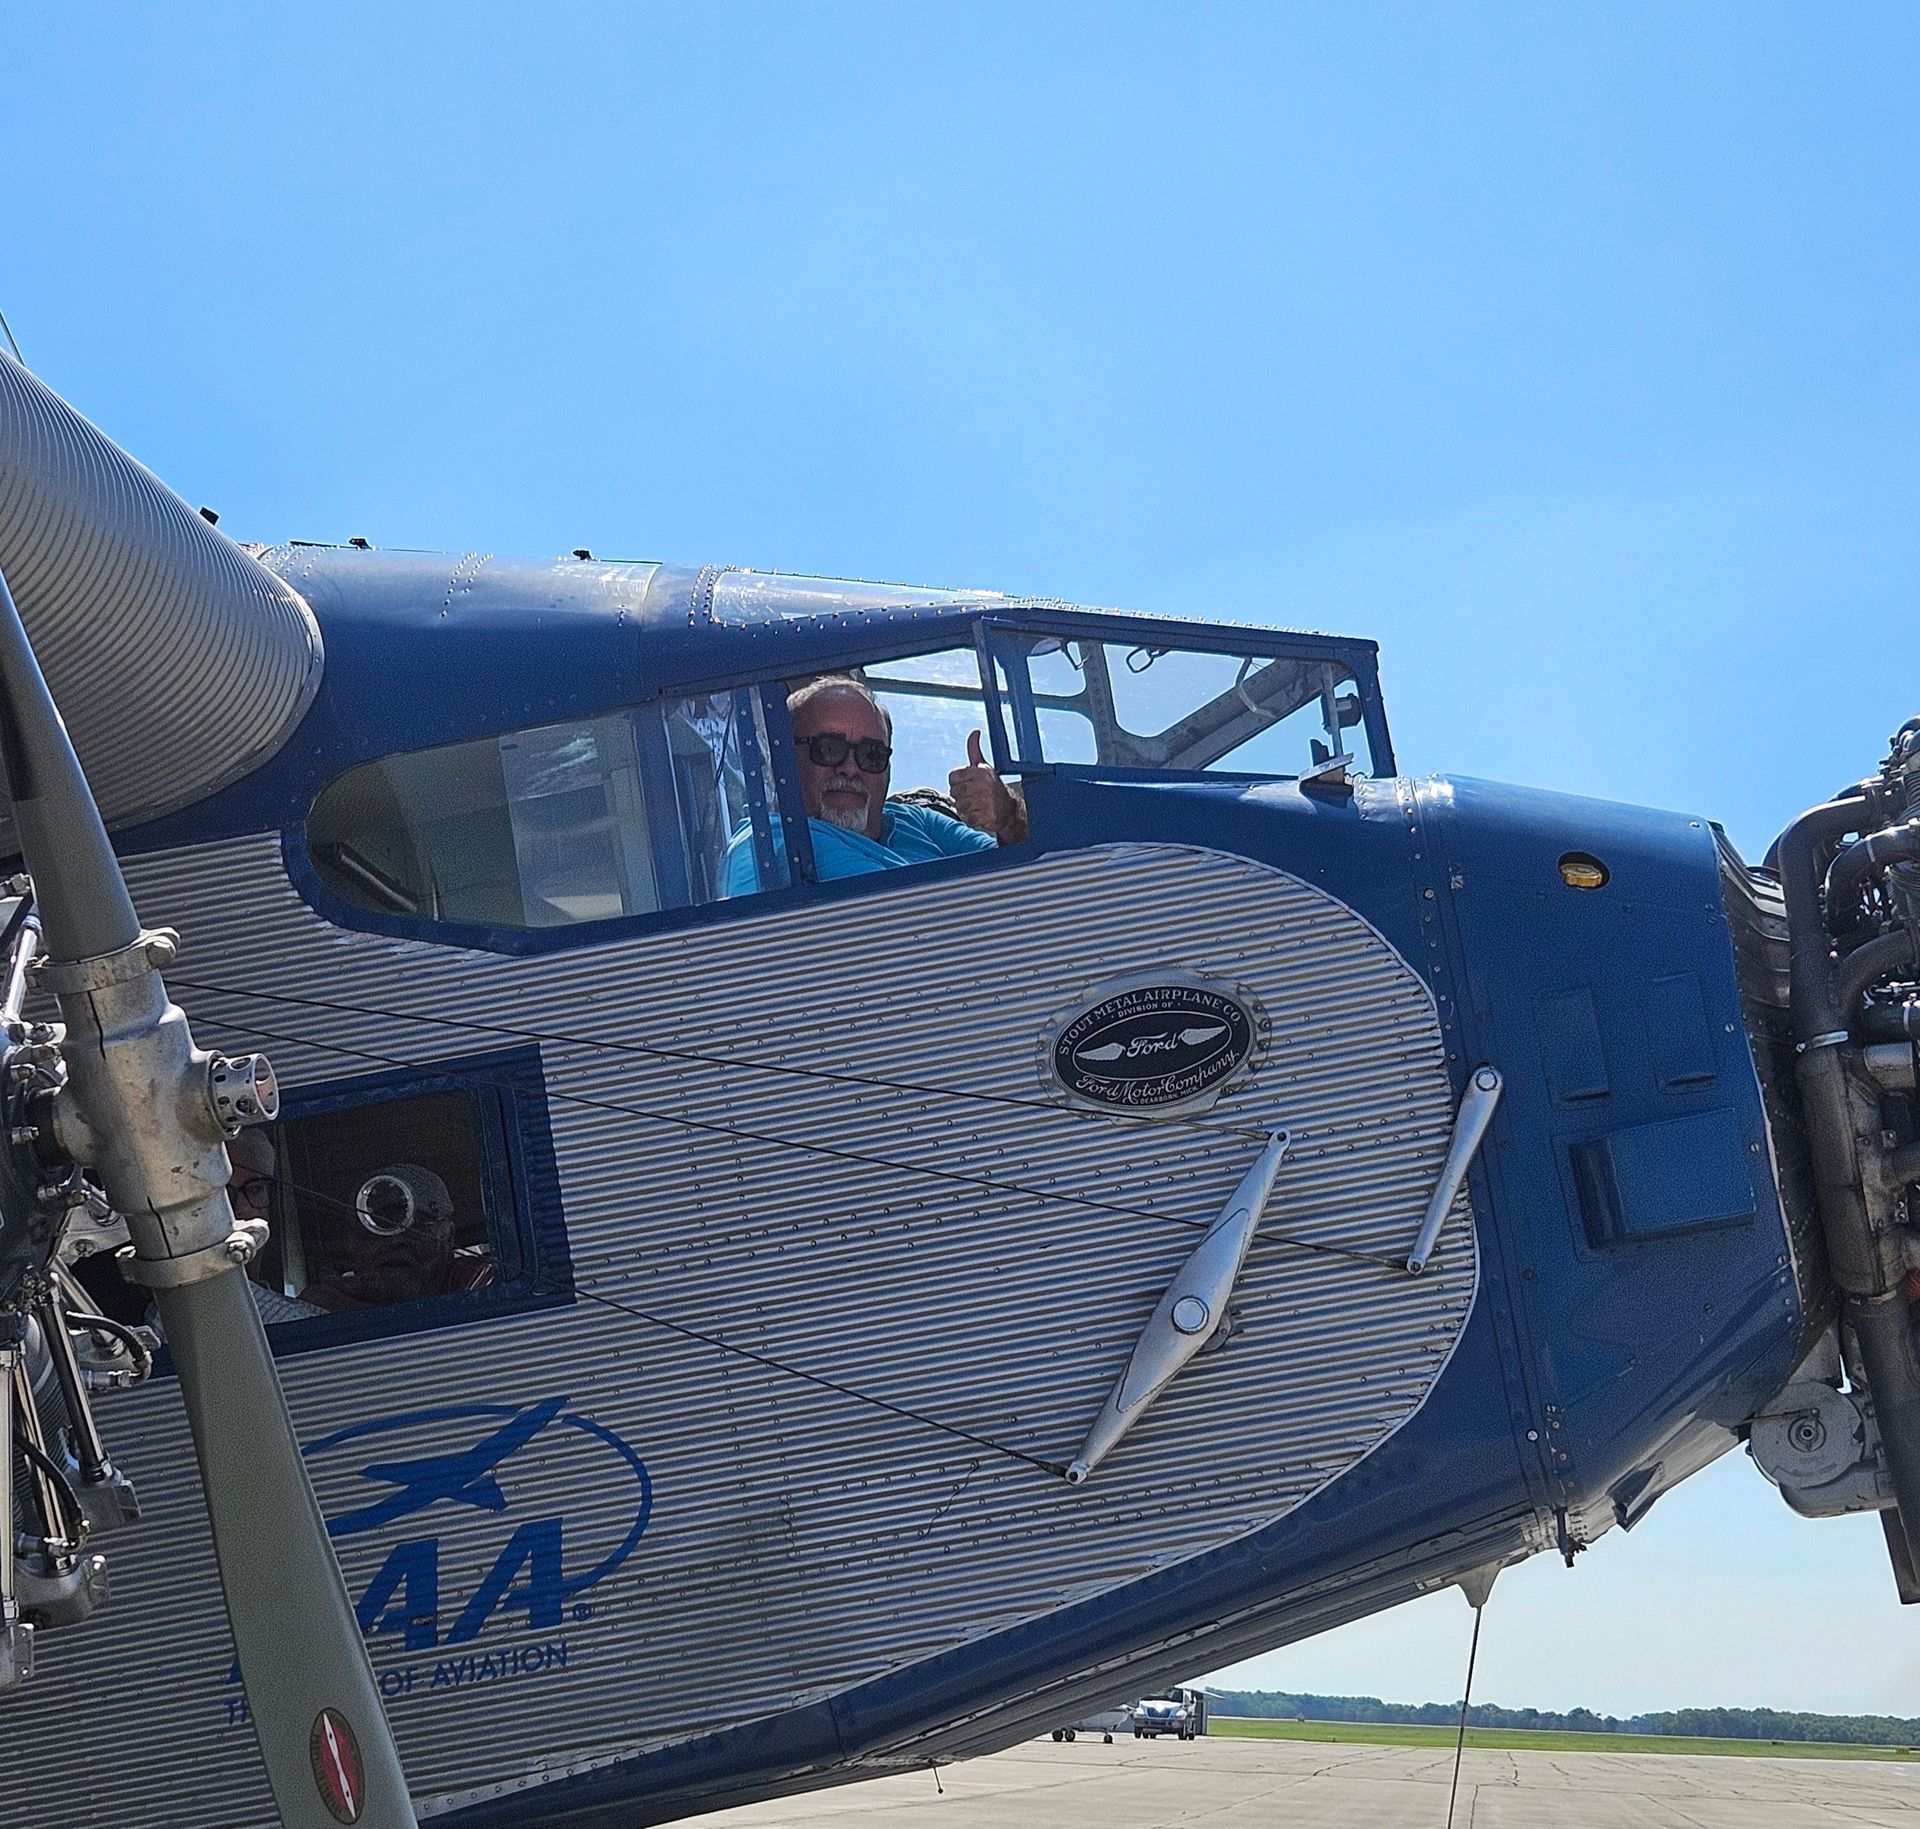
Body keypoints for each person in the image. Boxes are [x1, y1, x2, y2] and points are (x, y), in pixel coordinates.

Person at [722, 676, 1027, 895]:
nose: (850, 768)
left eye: (871, 754)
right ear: (783, 757)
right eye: (829, 748)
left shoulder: (912, 818)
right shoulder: (766, 844)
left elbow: (1024, 869)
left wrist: (1007, 816)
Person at [298, 1162, 491, 1313]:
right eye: (376, 1224)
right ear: (352, 1242)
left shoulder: (484, 1286)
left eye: (416, 1226)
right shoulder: (322, 1307)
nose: (395, 1240)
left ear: (448, 1236)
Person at [227, 1127, 324, 1323]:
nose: (242, 1208)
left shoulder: (287, 1303)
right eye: (223, 1194)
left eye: (255, 1189)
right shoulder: (185, 1310)